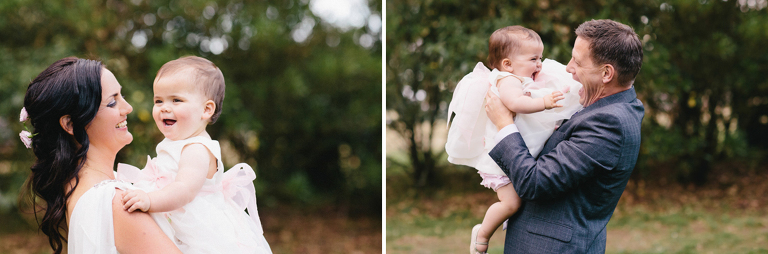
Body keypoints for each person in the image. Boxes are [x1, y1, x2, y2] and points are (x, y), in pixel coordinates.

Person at [484, 19, 644, 253]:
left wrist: (504, 123)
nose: (568, 68)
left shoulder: (609, 123)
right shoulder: (609, 106)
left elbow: (535, 182)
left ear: (606, 73)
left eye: (577, 62)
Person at [21, 57, 182, 254]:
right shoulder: (115, 202)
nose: (128, 108)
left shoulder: (76, 188)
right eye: (113, 102)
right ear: (70, 124)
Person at [445, 26, 583, 254]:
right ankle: (482, 233)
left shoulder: (521, 78)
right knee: (511, 203)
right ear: (508, 64)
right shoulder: (507, 79)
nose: (540, 63)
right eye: (533, 58)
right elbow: (515, 104)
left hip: (512, 155)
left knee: (518, 200)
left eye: (540, 57)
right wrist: (545, 102)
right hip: (500, 163)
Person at [118, 56, 272, 253]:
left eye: (176, 100)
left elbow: (184, 189)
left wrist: (149, 200)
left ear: (206, 109)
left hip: (199, 230)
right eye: (158, 100)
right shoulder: (177, 143)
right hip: (174, 216)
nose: (164, 107)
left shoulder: (197, 149)